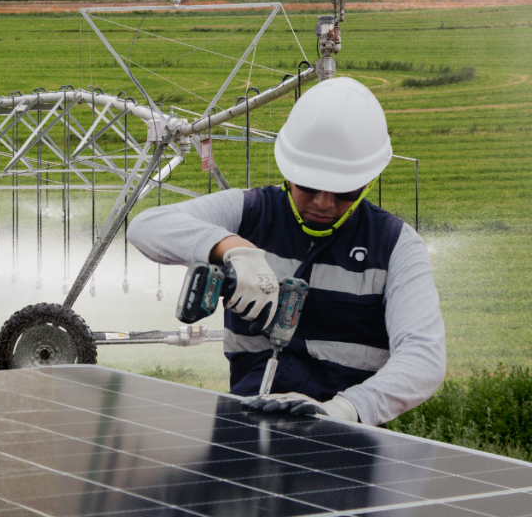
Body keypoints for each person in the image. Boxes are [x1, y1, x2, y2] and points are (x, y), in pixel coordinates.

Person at [128, 77, 445, 426]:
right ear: (289, 171)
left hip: (343, 443)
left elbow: (424, 357)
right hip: (244, 431)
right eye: (309, 186)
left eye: (344, 192)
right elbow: (146, 226)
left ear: (367, 182)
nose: (324, 203)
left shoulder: (397, 245)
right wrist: (232, 248)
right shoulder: (249, 213)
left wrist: (345, 409)